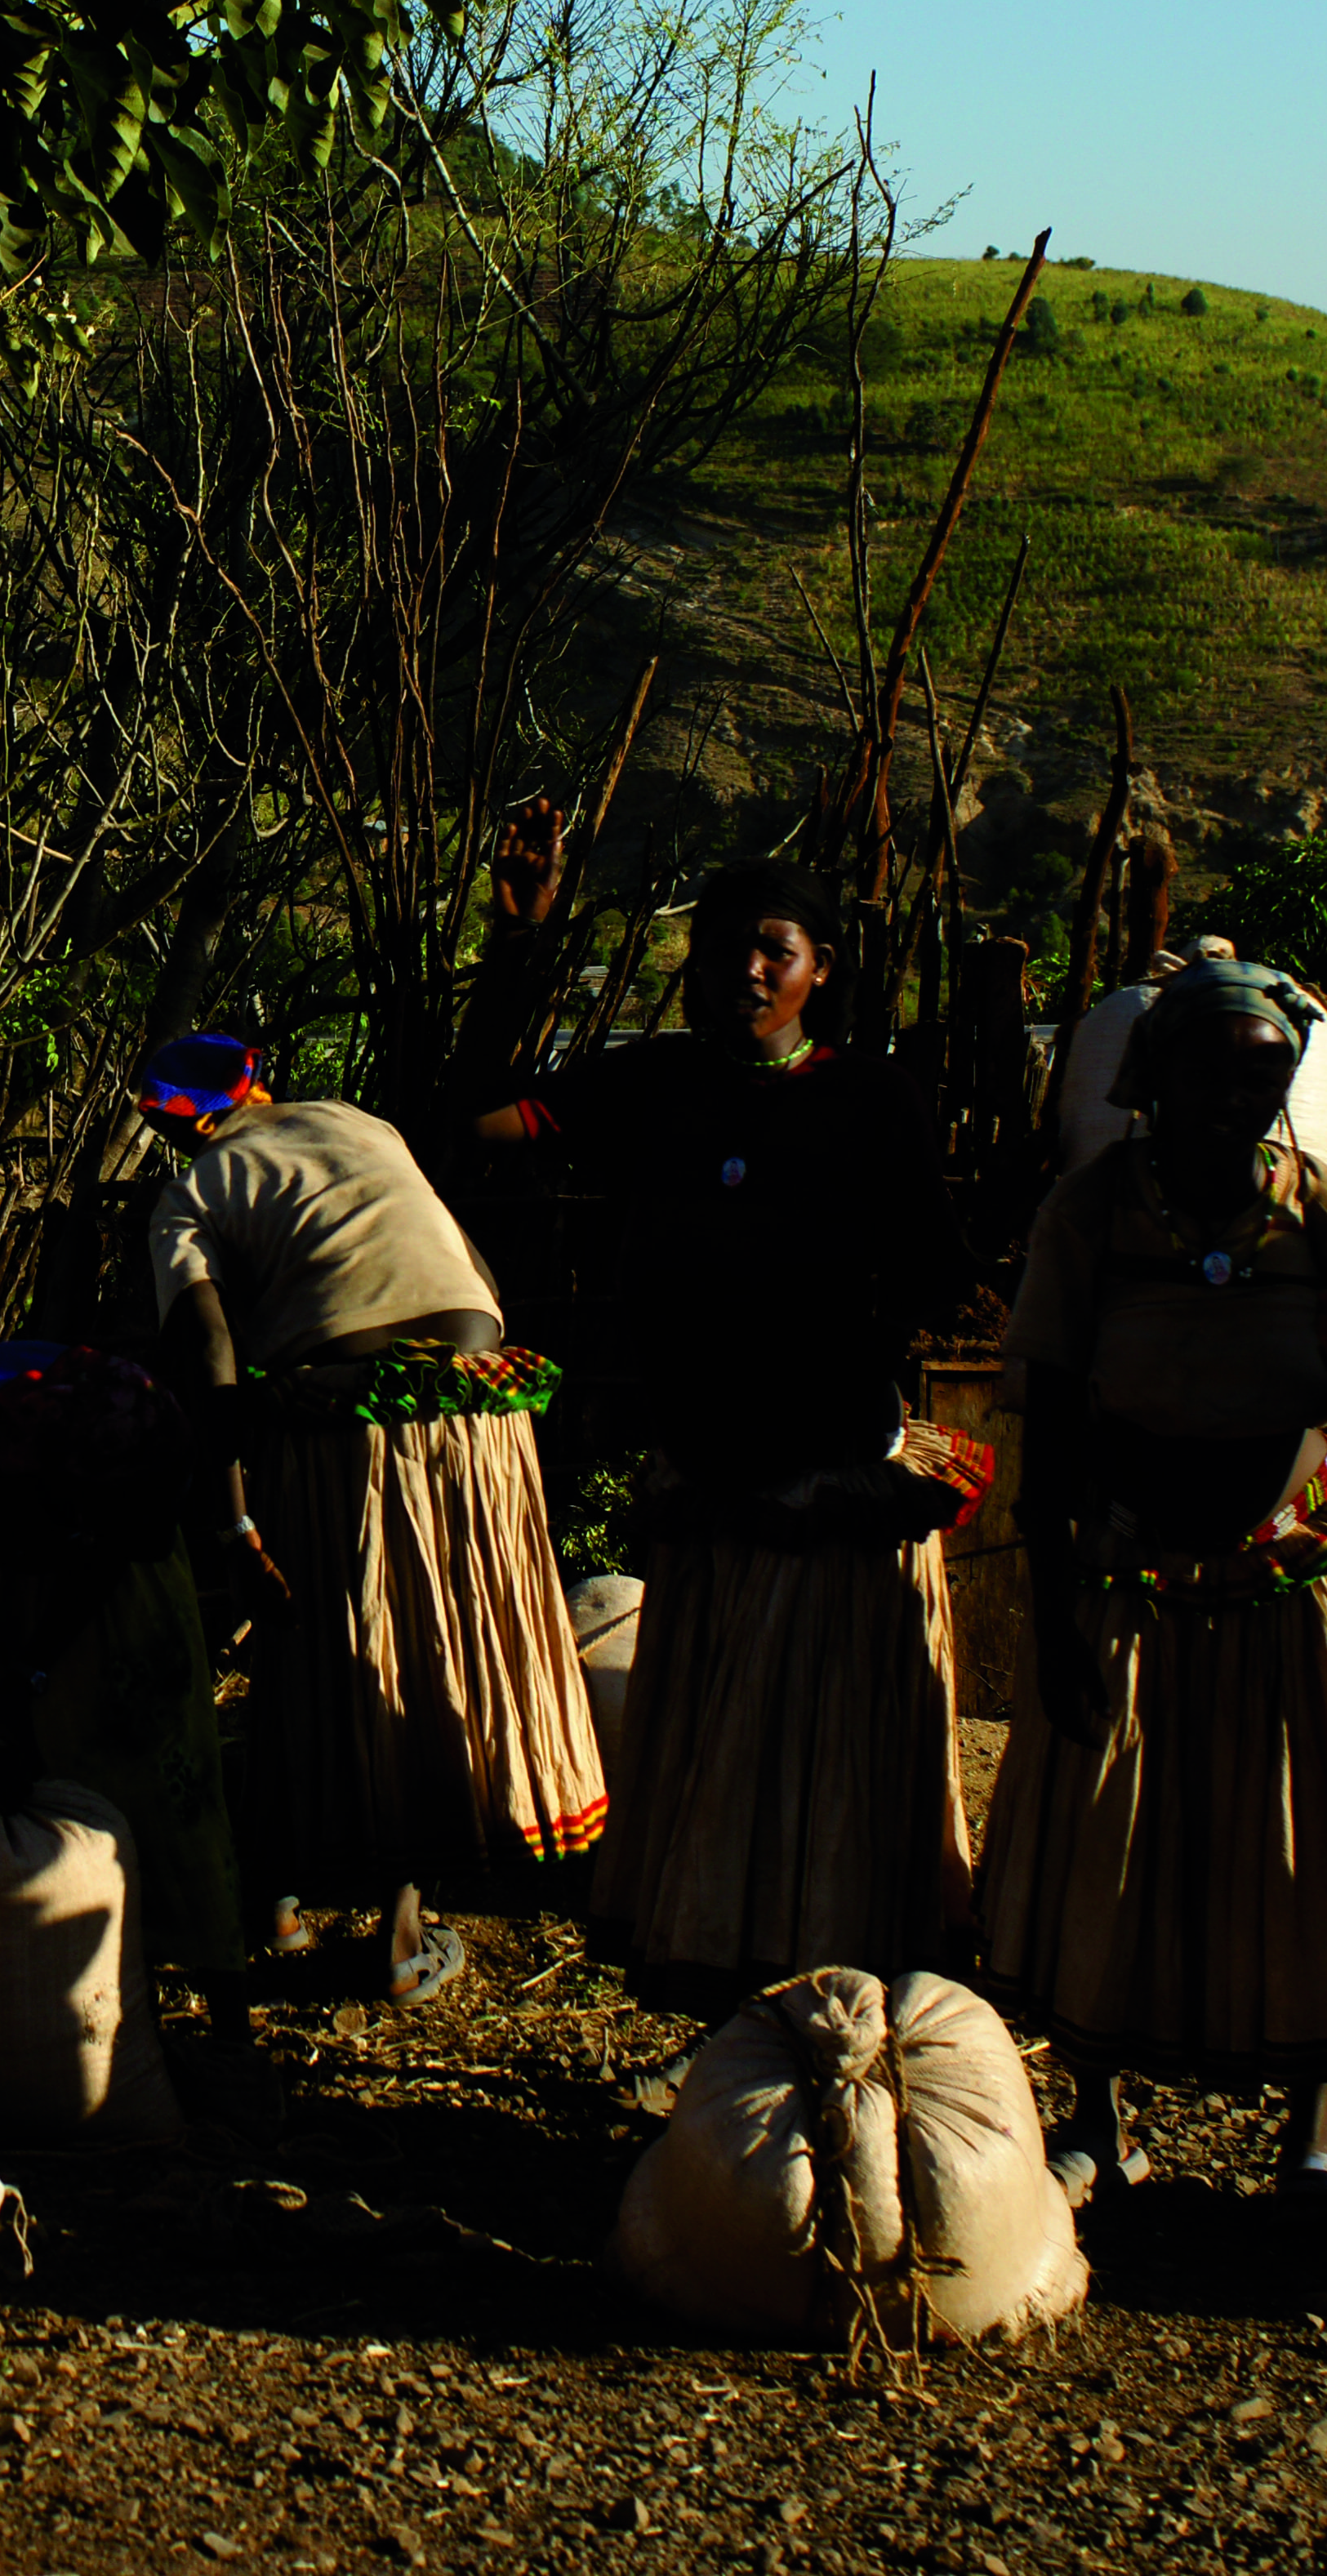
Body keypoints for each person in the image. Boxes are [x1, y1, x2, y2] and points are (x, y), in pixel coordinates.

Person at [981, 956, 1327, 2211]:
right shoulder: (1090, 1218)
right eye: (1208, 1066)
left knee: (1310, 1847)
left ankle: (1315, 2137)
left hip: (1289, 1580)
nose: (1235, 1094)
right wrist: (1054, 1600)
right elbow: (1057, 1416)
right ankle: (1100, 2117)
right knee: (1110, 1844)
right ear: (1152, 1079)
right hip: (1130, 1569)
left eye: (1262, 1072)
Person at [465, 855, 982, 1999]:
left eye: (776, 951)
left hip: (832, 1486)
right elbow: (478, 1122)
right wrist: (521, 945)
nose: (747, 971)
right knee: (732, 1778)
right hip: (712, 1478)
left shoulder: (874, 1100)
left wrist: (835, 1343)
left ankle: (842, 2027)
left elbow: (942, 1273)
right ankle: (735, 2040)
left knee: (825, 1780)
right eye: (724, 950)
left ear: (820, 971)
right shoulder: (655, 1087)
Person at [137, 1027, 608, 2007]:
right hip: (479, 1402)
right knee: (443, 1648)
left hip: (343, 1414)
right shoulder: (362, 1124)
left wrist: (234, 1523)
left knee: (342, 1651)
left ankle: (318, 1906)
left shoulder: (190, 1196)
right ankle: (380, 1903)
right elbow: (464, 1260)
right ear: (257, 1082)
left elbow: (208, 1352)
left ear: (166, 1124)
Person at [0, 1337, 247, 2015]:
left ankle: (225, 2019)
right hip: (7, 1547)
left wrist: (34, 1669)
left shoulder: (137, 1448)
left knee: (164, 1786)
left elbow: (115, 1554)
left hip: (91, 1529)